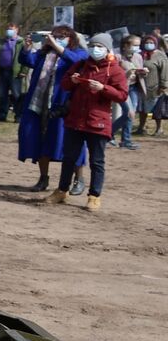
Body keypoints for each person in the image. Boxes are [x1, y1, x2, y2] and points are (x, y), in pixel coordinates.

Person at [42, 34, 128, 213]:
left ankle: (94, 196)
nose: (95, 49)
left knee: (97, 161)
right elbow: (65, 84)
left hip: (98, 122)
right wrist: (72, 80)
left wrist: (103, 88)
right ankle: (61, 191)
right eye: (93, 45)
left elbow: (122, 95)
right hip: (75, 120)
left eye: (99, 46)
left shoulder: (115, 70)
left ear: (107, 49)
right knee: (69, 158)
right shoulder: (81, 64)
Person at [17, 28, 88, 192]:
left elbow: (75, 61)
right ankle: (43, 178)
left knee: (69, 142)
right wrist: (27, 48)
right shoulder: (45, 54)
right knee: (40, 139)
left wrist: (57, 46)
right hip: (39, 103)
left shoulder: (79, 53)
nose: (56, 39)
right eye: (55, 36)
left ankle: (79, 178)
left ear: (71, 38)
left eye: (61, 37)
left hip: (64, 105)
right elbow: (28, 60)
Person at [112, 36, 144, 150]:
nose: (137, 47)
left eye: (138, 45)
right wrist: (127, 73)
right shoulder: (117, 56)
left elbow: (139, 71)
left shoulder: (138, 56)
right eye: (134, 45)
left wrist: (143, 72)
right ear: (125, 45)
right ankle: (109, 133)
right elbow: (114, 74)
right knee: (129, 112)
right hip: (122, 88)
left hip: (134, 87)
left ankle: (126, 140)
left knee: (131, 114)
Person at [142, 35, 168, 136]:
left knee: (158, 108)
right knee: (143, 109)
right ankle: (142, 127)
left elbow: (164, 71)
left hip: (156, 87)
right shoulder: (141, 54)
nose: (149, 45)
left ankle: (159, 129)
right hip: (143, 87)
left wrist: (163, 85)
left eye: (151, 43)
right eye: (147, 43)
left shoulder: (160, 56)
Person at [0, 26, 19, 120]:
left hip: (15, 72)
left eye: (12, 29)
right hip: (3, 71)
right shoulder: (1, 42)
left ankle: (18, 115)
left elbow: (24, 56)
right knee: (2, 94)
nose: (9, 30)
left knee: (16, 94)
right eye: (8, 28)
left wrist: (23, 71)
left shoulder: (20, 42)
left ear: (17, 30)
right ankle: (2, 115)